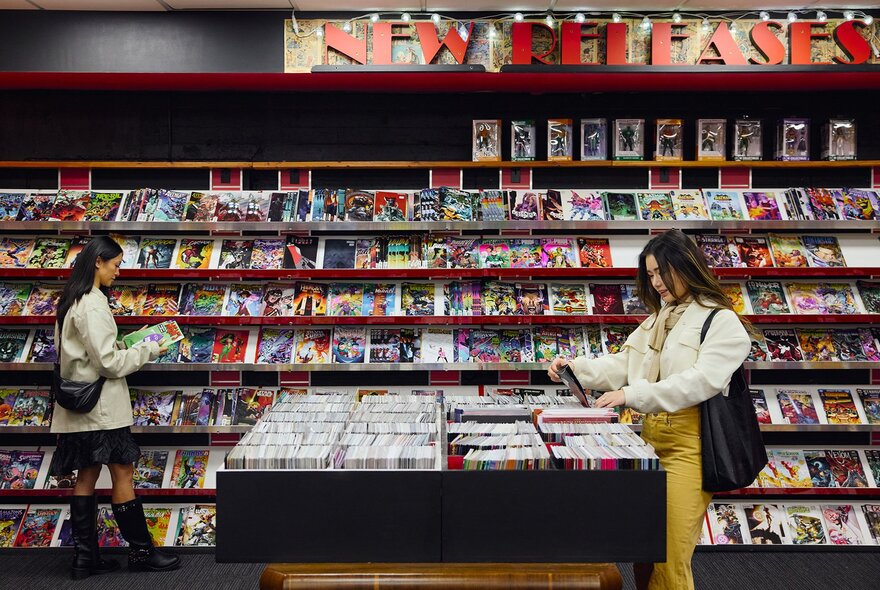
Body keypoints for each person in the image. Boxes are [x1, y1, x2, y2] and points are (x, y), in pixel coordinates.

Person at [548, 229, 750, 590]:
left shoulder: (721, 322)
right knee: (644, 546)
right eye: (651, 273)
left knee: (670, 556)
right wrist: (575, 368)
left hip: (691, 447)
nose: (656, 282)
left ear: (686, 266)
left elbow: (699, 382)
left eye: (663, 272)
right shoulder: (659, 319)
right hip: (649, 443)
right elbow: (625, 363)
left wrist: (632, 395)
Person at [49, 236, 180, 579]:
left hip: (79, 407)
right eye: (116, 264)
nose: (118, 272)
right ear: (98, 262)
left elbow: (85, 353)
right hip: (101, 409)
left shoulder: (71, 300)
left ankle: (85, 558)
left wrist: (128, 342)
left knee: (86, 475)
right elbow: (108, 364)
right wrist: (147, 349)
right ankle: (141, 552)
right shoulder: (93, 304)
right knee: (123, 472)